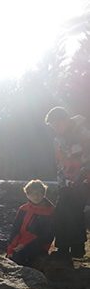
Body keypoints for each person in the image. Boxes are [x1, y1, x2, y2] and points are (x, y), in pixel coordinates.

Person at [45, 106, 90, 258]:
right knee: (61, 213)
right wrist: (61, 180)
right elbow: (59, 162)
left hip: (82, 181)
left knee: (74, 213)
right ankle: (64, 248)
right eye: (53, 126)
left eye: (57, 124)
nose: (55, 128)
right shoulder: (57, 139)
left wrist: (83, 177)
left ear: (65, 120)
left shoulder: (83, 134)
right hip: (64, 182)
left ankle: (76, 248)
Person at [7, 180, 55, 266]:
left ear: (43, 194)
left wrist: (24, 244)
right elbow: (15, 229)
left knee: (18, 257)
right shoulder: (23, 209)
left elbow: (47, 235)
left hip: (39, 244)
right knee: (11, 256)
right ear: (27, 195)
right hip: (21, 243)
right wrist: (11, 247)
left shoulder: (50, 211)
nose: (36, 196)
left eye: (39, 193)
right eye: (32, 193)